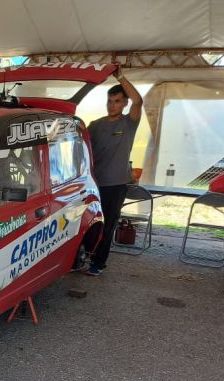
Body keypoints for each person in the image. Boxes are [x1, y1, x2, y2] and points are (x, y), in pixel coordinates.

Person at [85, 64, 143, 276]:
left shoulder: (129, 123)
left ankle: (98, 263)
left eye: (117, 101)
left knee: (107, 226)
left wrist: (120, 77)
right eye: (109, 101)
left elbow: (139, 101)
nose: (112, 105)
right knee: (87, 224)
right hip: (92, 184)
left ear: (124, 103)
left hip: (115, 186)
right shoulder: (95, 125)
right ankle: (83, 256)